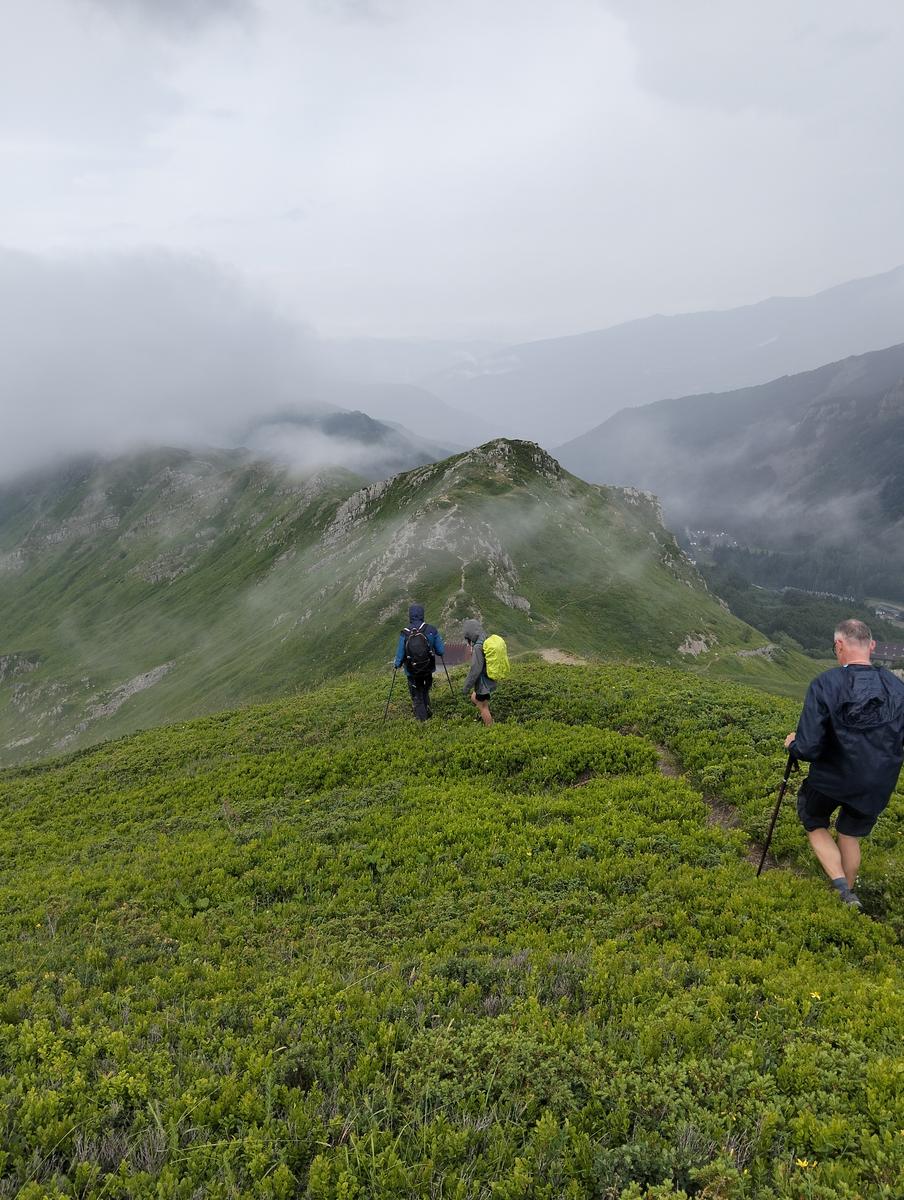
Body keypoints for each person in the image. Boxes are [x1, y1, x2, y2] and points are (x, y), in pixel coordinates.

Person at [785, 619, 904, 909]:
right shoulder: (897, 687)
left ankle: (841, 888)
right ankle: (848, 897)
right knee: (850, 834)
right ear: (872, 645)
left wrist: (793, 745)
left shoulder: (825, 684)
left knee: (814, 821)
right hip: (877, 781)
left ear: (839, 645)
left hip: (832, 777)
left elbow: (810, 747)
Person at [394, 603, 445, 721]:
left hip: (412, 671)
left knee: (417, 694)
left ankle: (423, 721)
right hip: (428, 668)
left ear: (410, 616)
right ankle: (428, 710)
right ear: (422, 615)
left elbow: (400, 654)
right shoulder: (431, 630)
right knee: (425, 689)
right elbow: (441, 651)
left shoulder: (405, 633)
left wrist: (397, 664)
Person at [461, 618, 495, 727]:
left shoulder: (477, 647)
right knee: (476, 698)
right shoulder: (485, 638)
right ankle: (489, 723)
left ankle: (491, 728)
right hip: (489, 679)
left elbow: (475, 670)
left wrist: (466, 687)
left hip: (482, 682)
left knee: (483, 707)